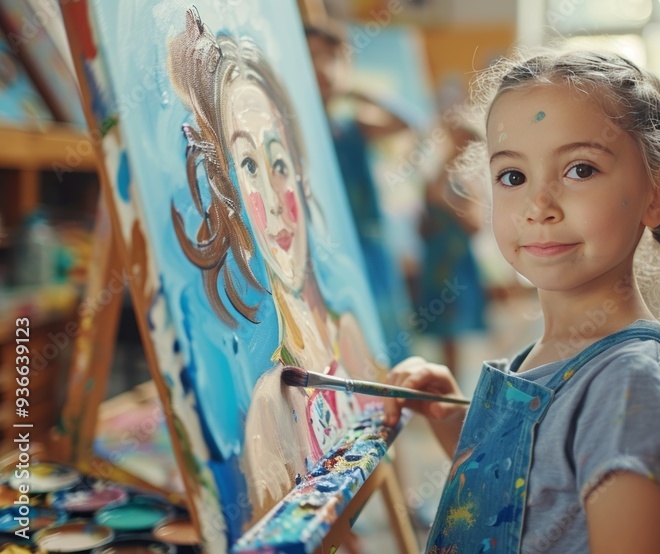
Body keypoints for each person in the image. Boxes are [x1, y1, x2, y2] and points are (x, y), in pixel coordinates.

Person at [382, 50, 660, 553]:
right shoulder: (544, 353)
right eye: (513, 177)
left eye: (580, 170)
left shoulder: (628, 388)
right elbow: (531, 497)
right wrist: (453, 417)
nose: (539, 206)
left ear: (657, 194)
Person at [167, 8, 381, 519]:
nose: (276, 196)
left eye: (279, 162)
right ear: (227, 195)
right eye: (247, 165)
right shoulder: (269, 406)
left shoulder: (349, 340)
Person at [306, 23, 414, 364]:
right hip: (321, 244)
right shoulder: (295, 127)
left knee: (383, 322)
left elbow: (405, 122)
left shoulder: (351, 126)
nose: (323, 68)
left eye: (332, 57)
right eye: (312, 57)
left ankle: (394, 395)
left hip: (368, 240)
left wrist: (358, 93)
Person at [417, 123, 489, 372]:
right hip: (437, 262)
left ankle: (451, 381)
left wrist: (448, 205)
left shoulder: (469, 184)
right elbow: (428, 210)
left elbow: (474, 223)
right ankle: (441, 378)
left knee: (453, 329)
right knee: (440, 329)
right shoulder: (439, 175)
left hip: (456, 263)